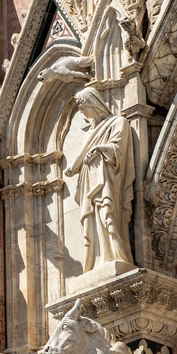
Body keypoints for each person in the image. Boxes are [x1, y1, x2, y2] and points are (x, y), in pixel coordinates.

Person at [65, 88, 135, 273]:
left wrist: (100, 150)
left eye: (83, 107)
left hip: (109, 181)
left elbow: (119, 149)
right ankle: (98, 261)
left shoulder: (117, 123)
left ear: (93, 103)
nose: (82, 113)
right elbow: (81, 158)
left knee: (108, 215)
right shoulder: (89, 134)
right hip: (91, 182)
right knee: (94, 221)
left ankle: (116, 254)